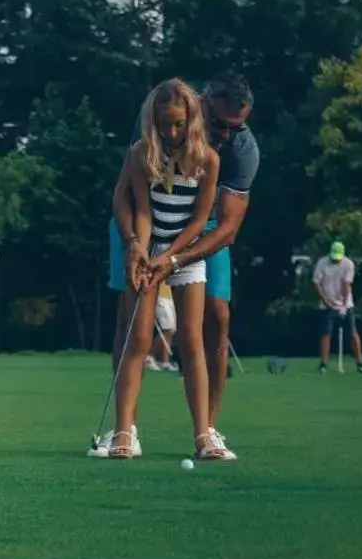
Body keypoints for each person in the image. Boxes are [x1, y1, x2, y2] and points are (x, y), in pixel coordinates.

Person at [104, 71, 258, 450]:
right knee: (131, 327)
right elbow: (129, 197)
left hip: (198, 232)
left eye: (236, 127)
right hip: (144, 228)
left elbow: (225, 226)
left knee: (215, 319)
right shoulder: (153, 131)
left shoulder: (236, 151)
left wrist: (174, 259)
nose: (227, 133)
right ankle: (125, 429)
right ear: (201, 106)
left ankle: (207, 430)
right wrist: (135, 246)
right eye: (220, 124)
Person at [314, 241, 362, 373]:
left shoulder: (348, 264)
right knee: (326, 333)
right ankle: (323, 364)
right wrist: (325, 300)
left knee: (353, 333)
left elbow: (346, 284)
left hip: (346, 304)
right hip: (326, 304)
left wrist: (343, 304)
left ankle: (360, 364)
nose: (335, 260)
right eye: (333, 257)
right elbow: (317, 282)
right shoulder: (322, 263)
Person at [147, 293, 178, 372]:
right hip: (160, 297)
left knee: (172, 329)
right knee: (167, 329)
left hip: (171, 296)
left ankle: (164, 360)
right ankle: (149, 356)